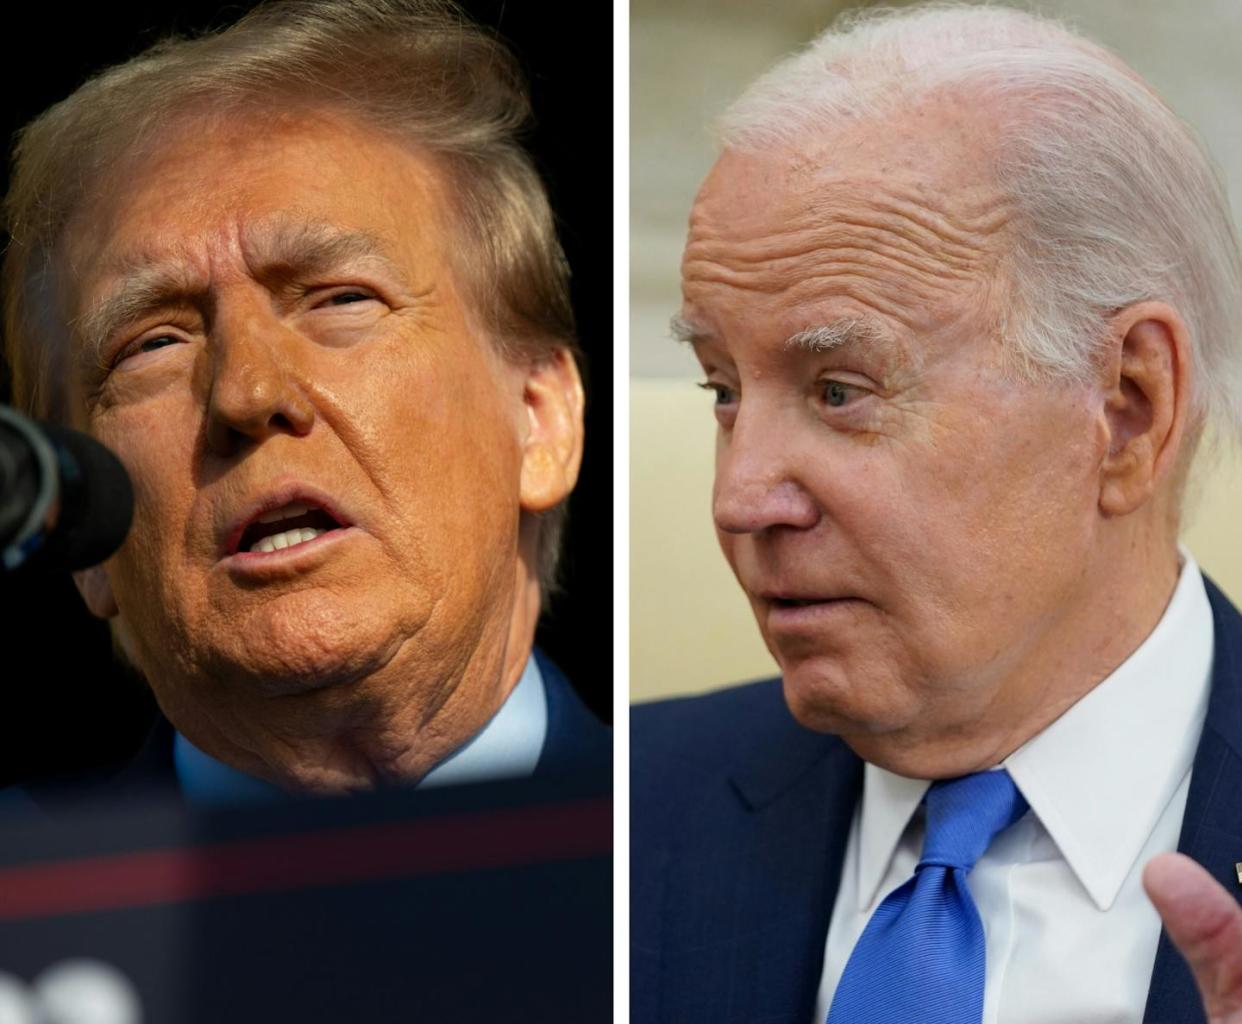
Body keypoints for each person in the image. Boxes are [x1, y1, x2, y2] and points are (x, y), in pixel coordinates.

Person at [631, 4, 1242, 1022]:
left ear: (1128, 409)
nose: (739, 498)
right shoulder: (614, 820)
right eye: (722, 391)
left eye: (840, 390)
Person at [1, 0, 608, 804]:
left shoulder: (678, 844)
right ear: (75, 528)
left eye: (339, 299)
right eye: (153, 344)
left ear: (542, 421)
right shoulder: (31, 910)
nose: (247, 393)